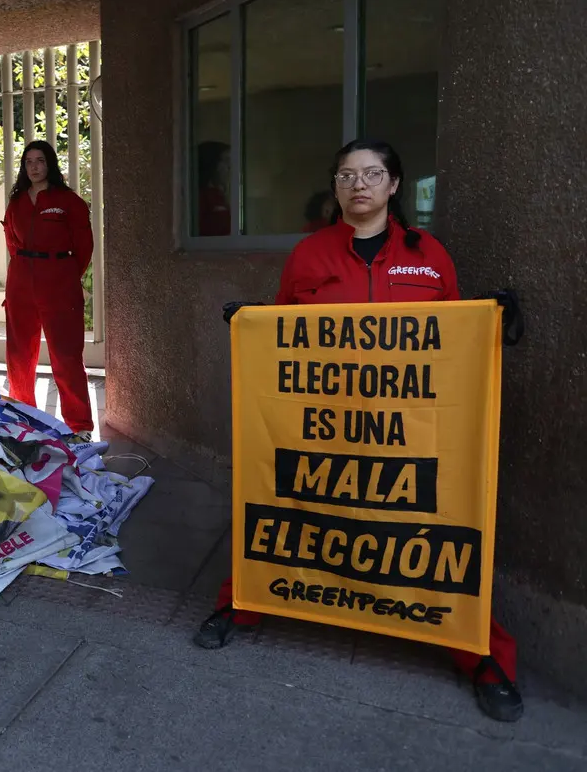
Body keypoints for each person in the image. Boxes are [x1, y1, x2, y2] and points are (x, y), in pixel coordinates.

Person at [195, 139, 523, 723]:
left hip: (408, 429)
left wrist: (491, 319)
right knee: (288, 511)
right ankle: (242, 602)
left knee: (434, 533)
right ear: (337, 187)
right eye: (347, 175)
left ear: (394, 185)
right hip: (324, 425)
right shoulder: (308, 256)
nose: (360, 184)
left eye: (373, 174)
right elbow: (282, 336)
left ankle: (480, 652)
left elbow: (451, 345)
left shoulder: (430, 256)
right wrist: (248, 326)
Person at [1, 141, 94, 442]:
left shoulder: (68, 201)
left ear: (50, 164)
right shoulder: (16, 202)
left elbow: (84, 247)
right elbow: (12, 243)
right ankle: (24, 416)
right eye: (29, 162)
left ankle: (79, 427)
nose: (34, 167)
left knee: (66, 355)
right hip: (21, 282)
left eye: (40, 161)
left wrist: (65, 275)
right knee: (19, 354)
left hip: (58, 282)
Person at [197, 141, 232, 236]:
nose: (230, 167)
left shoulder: (221, 195)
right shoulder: (200, 197)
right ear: (213, 163)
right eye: (226, 161)